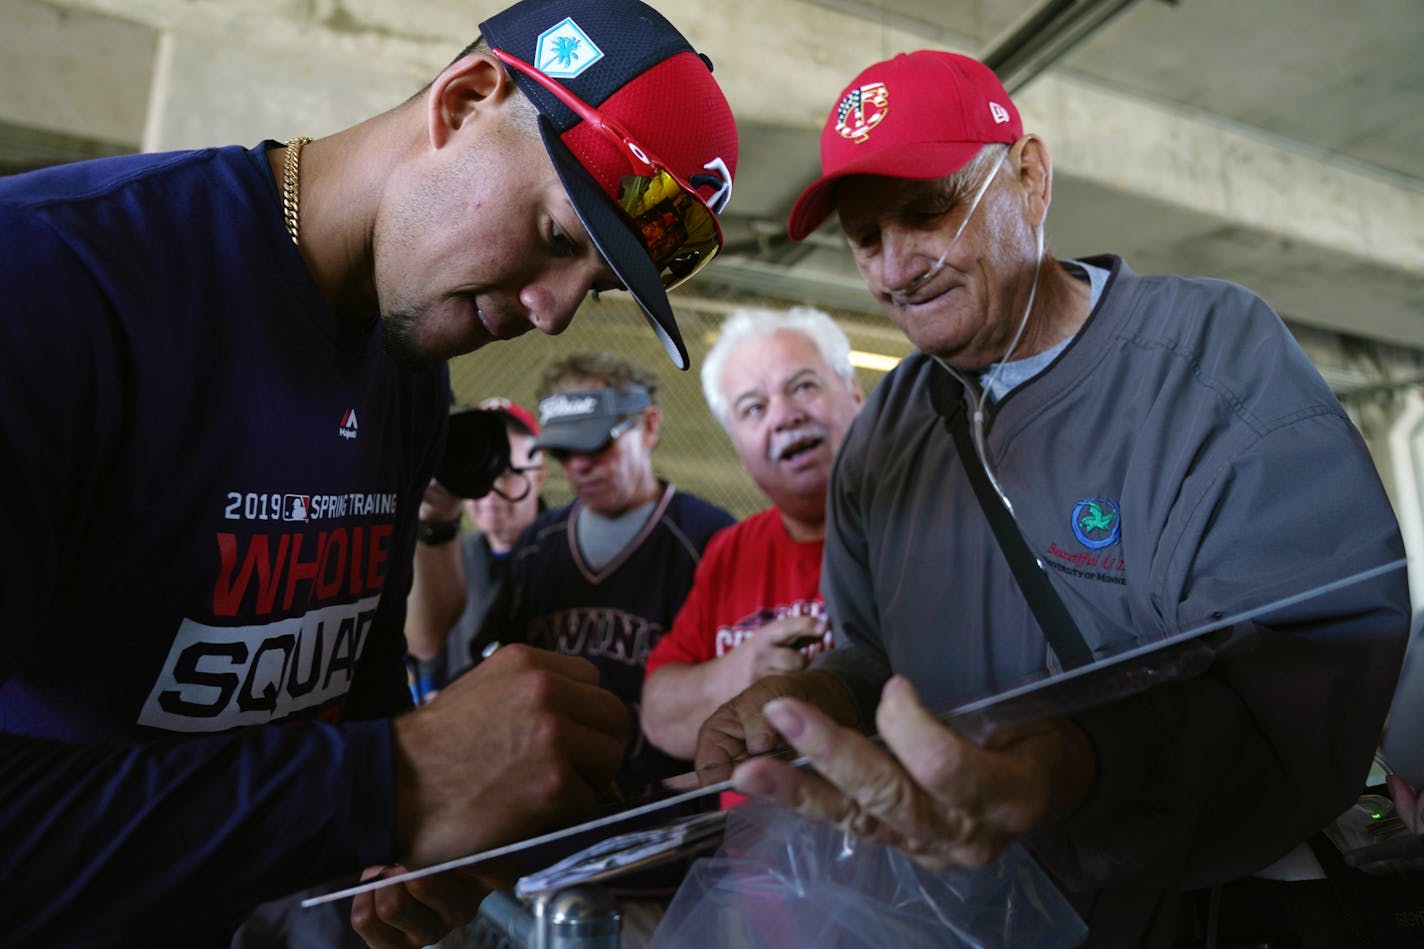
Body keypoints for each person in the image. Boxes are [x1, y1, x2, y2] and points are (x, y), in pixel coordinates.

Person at [0, 0, 739, 944]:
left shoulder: (410, 375)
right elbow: (377, 768)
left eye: (590, 284)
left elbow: (350, 673)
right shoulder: (50, 282)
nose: (553, 313)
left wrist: (417, 844)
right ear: (467, 100)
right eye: (559, 236)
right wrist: (390, 783)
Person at [692, 50, 1409, 944]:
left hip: (1228, 905)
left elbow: (1305, 661)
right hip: (993, 912)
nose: (897, 267)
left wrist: (1064, 764)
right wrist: (819, 698)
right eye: (867, 237)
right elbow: (872, 652)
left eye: (927, 212)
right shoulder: (884, 439)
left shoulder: (1210, 360)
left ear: (1029, 178)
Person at [476, 351, 736, 802]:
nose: (578, 465)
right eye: (563, 450)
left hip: (672, 812)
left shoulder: (711, 540)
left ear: (649, 425)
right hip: (549, 809)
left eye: (596, 444)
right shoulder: (536, 545)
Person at [641, 306, 863, 761]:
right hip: (754, 828)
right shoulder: (731, 551)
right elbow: (660, 717)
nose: (783, 417)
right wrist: (744, 670)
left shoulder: (932, 524)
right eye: (753, 409)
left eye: (803, 386)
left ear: (855, 396)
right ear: (741, 454)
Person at [404, 398, 547, 704]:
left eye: (507, 471)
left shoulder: (565, 552)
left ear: (540, 475)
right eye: (480, 468)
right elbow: (424, 650)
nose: (489, 491)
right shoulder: (447, 552)